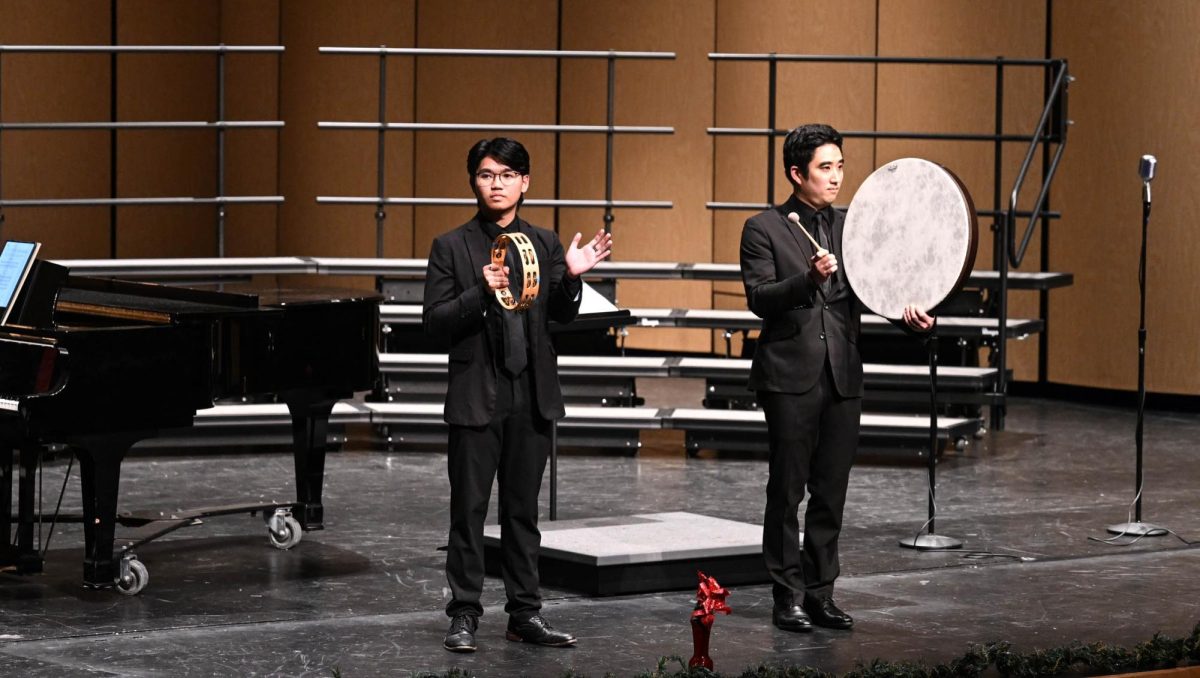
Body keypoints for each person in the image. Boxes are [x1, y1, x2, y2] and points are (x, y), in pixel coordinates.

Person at [739, 123, 933, 633]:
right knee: (787, 490)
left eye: (840, 165)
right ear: (795, 173)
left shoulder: (854, 224)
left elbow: (878, 288)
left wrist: (906, 318)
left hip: (843, 372)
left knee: (832, 489)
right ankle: (787, 595)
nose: (836, 177)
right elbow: (760, 298)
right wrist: (809, 279)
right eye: (825, 168)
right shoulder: (764, 228)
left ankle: (821, 592)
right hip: (790, 375)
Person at [423, 137, 613, 653]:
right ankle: (463, 613)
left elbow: (562, 315)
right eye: (487, 174)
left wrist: (571, 278)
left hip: (530, 394)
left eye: (508, 175)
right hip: (475, 396)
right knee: (468, 512)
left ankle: (524, 613)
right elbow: (434, 323)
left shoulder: (546, 242)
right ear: (474, 182)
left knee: (522, 514)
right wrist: (477, 292)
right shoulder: (451, 246)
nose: (497, 184)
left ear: (525, 182)